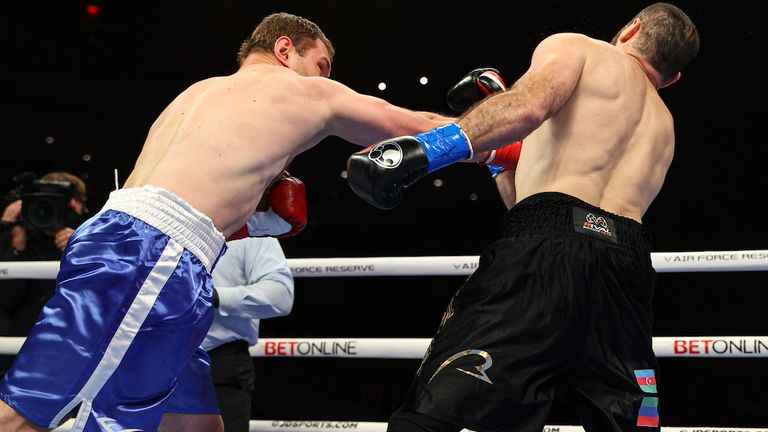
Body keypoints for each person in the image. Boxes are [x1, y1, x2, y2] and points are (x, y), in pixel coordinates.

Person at [0, 12, 452, 432]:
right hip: (149, 256)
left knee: (196, 424)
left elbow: (182, 199)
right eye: (321, 64)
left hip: (153, 252)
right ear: (284, 50)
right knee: (29, 414)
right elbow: (416, 124)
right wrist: (503, 138)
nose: (328, 79)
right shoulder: (305, 90)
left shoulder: (197, 94)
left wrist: (253, 223)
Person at [347, 3, 699, 431]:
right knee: (627, 423)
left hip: (545, 245)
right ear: (674, 77)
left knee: (439, 411)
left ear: (631, 29)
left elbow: (529, 108)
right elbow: (533, 203)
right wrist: (499, 156)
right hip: (626, 266)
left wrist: (423, 152)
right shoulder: (665, 125)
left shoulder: (580, 49)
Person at [167, 236, 294, 431]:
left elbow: (280, 295)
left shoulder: (253, 230)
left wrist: (212, 296)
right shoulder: (157, 221)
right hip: (154, 360)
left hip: (219, 362)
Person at [0, 172, 88, 376]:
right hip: (19, 352)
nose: (45, 210)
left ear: (76, 204)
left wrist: (81, 246)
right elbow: (5, 300)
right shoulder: (19, 236)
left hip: (72, 350)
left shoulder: (91, 236)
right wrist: (10, 236)